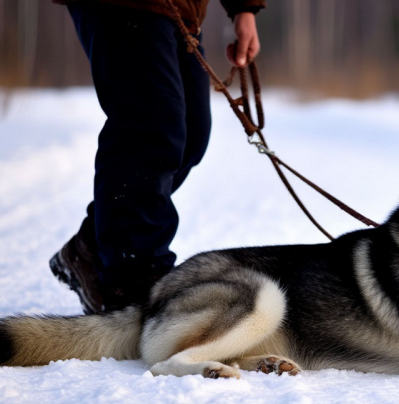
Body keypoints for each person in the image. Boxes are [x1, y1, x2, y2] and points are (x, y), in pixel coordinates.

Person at [49, 0, 265, 314]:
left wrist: (243, 8)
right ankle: (134, 284)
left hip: (183, 9)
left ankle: (92, 248)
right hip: (129, 5)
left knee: (191, 135)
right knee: (151, 129)